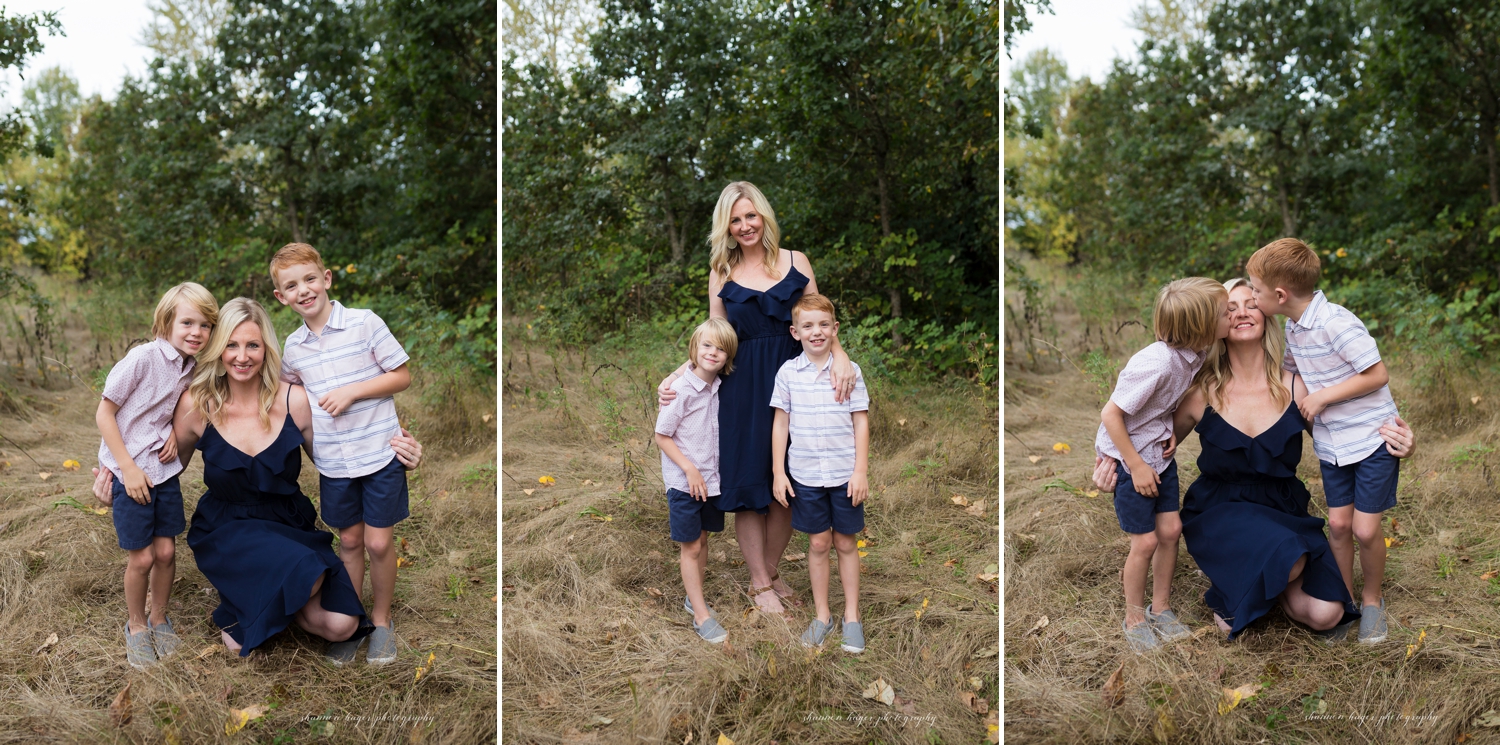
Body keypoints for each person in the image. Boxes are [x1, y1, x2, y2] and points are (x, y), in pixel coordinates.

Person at [93, 298, 424, 659]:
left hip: (287, 522)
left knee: (342, 625)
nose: (242, 356)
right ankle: (254, 600)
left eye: (253, 345)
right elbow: (168, 467)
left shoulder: (295, 400)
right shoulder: (197, 405)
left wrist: (396, 456)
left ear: (266, 349)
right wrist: (120, 483)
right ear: (218, 350)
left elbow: (338, 456)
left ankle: (260, 604)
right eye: (231, 345)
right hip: (226, 530)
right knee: (259, 626)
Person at [1095, 278, 1415, 643]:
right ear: (1213, 324)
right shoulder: (1199, 393)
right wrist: (1109, 464)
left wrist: (1402, 442)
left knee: (1327, 614)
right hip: (1220, 511)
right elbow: (1146, 434)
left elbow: (1345, 437)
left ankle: (1258, 585)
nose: (1242, 313)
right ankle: (1247, 579)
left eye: (1251, 304)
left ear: (1266, 315)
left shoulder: (1296, 386)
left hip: (1283, 509)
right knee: (1279, 570)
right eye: (1230, 308)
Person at [657, 181, 855, 615]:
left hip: (795, 382)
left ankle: (771, 570)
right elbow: (713, 338)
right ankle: (760, 582)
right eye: (735, 220)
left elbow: (819, 317)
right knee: (750, 483)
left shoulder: (796, 260)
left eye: (750, 216)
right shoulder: (721, 271)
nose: (745, 226)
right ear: (726, 227)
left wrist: (839, 356)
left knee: (789, 481)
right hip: (742, 386)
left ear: (763, 216)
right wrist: (677, 374)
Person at [1247, 239, 1401, 643]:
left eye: (1256, 290)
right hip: (1333, 445)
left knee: (1364, 530)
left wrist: (1322, 397)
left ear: (1280, 295)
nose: (1253, 296)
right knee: (1338, 525)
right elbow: (1290, 372)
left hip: (1371, 440)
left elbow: (1377, 374)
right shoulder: (1294, 328)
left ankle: (1372, 600)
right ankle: (1344, 600)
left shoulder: (1336, 322)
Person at [270, 243, 414, 665]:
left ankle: (382, 620)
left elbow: (401, 375)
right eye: (291, 286)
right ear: (281, 297)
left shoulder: (364, 323)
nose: (303, 290)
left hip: (379, 453)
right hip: (334, 463)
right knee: (349, 541)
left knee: (378, 543)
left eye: (310, 279)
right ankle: (354, 621)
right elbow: (288, 397)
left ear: (327, 278)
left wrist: (352, 391)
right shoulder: (293, 348)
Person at [1096, 277, 1229, 653]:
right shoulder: (1155, 363)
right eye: (1225, 313)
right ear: (1202, 326)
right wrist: (1135, 465)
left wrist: (1167, 426)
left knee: (1171, 530)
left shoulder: (1195, 353)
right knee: (1146, 541)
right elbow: (1111, 414)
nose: (1231, 317)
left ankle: (1161, 608)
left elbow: (1163, 403)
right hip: (1132, 461)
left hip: (1159, 455)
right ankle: (1134, 618)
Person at [96, 282, 219, 668]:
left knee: (166, 552)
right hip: (131, 471)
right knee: (143, 557)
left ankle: (159, 618)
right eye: (187, 322)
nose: (196, 332)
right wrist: (126, 468)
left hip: (163, 471)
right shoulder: (143, 358)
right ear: (166, 323)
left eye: (205, 325)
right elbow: (105, 413)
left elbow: (169, 410)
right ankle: (135, 625)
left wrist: (170, 432)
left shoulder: (191, 368)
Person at [770, 294, 870, 653]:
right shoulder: (788, 374)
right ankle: (822, 615)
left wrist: (860, 471)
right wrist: (778, 472)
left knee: (845, 542)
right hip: (806, 474)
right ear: (795, 332)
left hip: (844, 474)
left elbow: (860, 422)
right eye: (808, 326)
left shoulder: (849, 371)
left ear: (835, 329)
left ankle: (852, 617)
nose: (817, 332)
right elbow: (781, 424)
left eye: (824, 324)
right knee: (818, 543)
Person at [653, 318, 736, 644]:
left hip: (709, 482)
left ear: (728, 357)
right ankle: (701, 616)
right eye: (707, 345)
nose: (713, 353)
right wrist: (689, 469)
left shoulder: (719, 387)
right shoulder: (681, 390)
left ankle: (694, 598)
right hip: (684, 481)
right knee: (691, 546)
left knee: (702, 540)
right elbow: (662, 435)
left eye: (721, 349)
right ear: (694, 349)